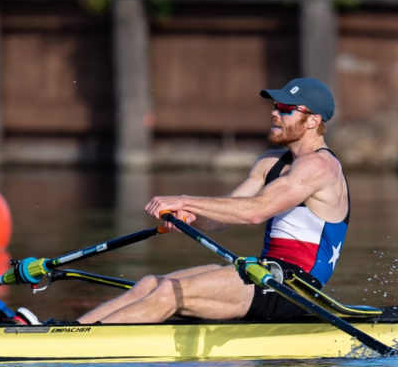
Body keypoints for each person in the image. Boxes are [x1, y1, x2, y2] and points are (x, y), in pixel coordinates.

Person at [77, 77, 349, 325]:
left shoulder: (320, 166)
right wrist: (191, 219)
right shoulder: (271, 162)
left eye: (286, 109)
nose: (275, 113)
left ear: (313, 121)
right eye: (276, 106)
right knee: (149, 285)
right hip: (266, 274)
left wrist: (185, 201)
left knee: (168, 293)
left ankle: (83, 344)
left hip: (294, 288)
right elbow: (222, 218)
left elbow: (256, 211)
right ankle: (72, 332)